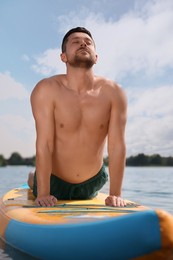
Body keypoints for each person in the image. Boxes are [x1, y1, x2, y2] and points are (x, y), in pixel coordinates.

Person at [28, 27, 127, 207]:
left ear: (96, 57)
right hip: (54, 182)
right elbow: (45, 143)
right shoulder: (46, 89)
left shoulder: (113, 92)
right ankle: (32, 178)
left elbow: (117, 146)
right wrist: (42, 193)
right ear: (63, 57)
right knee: (32, 179)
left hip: (93, 182)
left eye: (88, 42)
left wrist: (116, 194)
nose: (83, 43)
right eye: (75, 42)